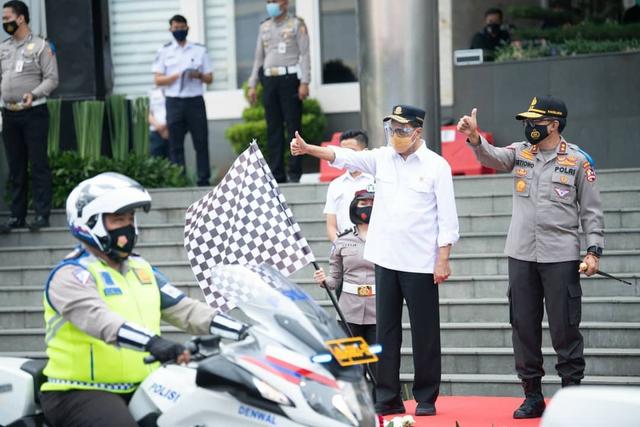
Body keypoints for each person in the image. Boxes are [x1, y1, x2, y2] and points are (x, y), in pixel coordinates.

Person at [39, 172, 248, 427]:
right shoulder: (71, 275)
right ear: (91, 222)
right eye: (118, 219)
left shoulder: (141, 269)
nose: (128, 226)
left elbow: (185, 310)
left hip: (145, 385)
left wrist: (244, 331)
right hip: (79, 391)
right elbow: (102, 321)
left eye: (131, 218)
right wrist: (155, 343)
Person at [291, 104, 460, 417]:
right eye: (392, 130)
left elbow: (447, 218)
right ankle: (388, 395)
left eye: (402, 130)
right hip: (384, 259)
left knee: (424, 332)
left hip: (421, 262)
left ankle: (425, 397)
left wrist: (443, 258)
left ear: (417, 131)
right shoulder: (382, 158)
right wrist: (307, 148)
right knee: (386, 331)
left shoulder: (437, 166)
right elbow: (341, 156)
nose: (396, 136)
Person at [457, 96, 604, 419]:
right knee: (523, 325)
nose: (529, 127)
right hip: (521, 253)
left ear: (554, 124)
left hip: (560, 256)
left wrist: (593, 251)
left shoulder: (578, 161)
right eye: (527, 122)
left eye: (535, 122)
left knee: (565, 328)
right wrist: (474, 137)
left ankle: (572, 397)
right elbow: (493, 158)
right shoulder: (521, 151)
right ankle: (532, 395)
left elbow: (591, 212)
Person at [0, 0, 58, 233]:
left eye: (7, 19)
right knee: (16, 167)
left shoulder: (42, 45)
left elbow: (52, 79)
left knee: (38, 164)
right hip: (10, 113)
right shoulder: (3, 48)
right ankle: (17, 216)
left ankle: (42, 214)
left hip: (34, 113)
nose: (4, 23)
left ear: (21, 18)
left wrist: (33, 94)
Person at [247, 0, 310, 183]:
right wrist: (253, 84)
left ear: (285, 2)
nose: (271, 4)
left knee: (293, 127)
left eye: (275, 1)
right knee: (272, 128)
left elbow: (305, 54)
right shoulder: (264, 26)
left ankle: (295, 173)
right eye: (268, 1)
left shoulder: (297, 24)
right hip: (269, 80)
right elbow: (259, 57)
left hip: (290, 79)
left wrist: (305, 82)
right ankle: (277, 174)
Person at [152, 14, 213, 186]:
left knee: (201, 141)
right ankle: (179, 179)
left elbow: (209, 78)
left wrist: (198, 75)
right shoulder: (164, 51)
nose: (179, 30)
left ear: (188, 28)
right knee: (175, 143)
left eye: (182, 27)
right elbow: (157, 79)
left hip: (194, 101)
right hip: (174, 101)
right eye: (176, 28)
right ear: (170, 29)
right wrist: (175, 76)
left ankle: (203, 179)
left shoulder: (199, 50)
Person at [314, 189, 377, 356]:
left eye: (372, 204)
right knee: (351, 362)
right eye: (363, 204)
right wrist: (323, 280)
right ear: (354, 208)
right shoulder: (342, 240)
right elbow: (335, 279)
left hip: (379, 309)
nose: (368, 208)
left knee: (378, 362)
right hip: (349, 311)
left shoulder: (386, 239)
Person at [323, 129, 374, 242]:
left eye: (351, 152)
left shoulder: (376, 181)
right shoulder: (335, 185)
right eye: (343, 152)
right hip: (345, 249)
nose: (346, 157)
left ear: (365, 152)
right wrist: (342, 247)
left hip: (373, 248)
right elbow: (331, 225)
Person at [148, 86, 169, 159]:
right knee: (155, 161)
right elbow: (148, 113)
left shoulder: (175, 90)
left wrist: (166, 126)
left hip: (171, 132)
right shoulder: (153, 91)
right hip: (155, 132)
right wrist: (159, 127)